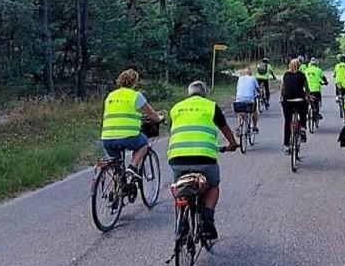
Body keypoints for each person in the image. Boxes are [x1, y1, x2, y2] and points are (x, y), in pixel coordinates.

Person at [168, 81, 238, 240]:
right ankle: (207, 218)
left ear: (189, 93)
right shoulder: (211, 106)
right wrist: (232, 144)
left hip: (177, 158)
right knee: (213, 185)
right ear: (204, 93)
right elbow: (225, 128)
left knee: (180, 188)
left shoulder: (176, 108)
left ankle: (182, 223)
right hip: (205, 158)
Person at [101, 68, 165, 176]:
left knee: (117, 168)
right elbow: (150, 113)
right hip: (127, 136)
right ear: (134, 82)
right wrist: (159, 118)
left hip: (107, 138)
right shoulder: (135, 95)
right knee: (143, 143)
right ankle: (133, 167)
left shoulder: (110, 95)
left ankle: (114, 191)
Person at [280, 58, 310, 153]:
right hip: (299, 101)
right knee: (303, 112)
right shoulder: (302, 75)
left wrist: (282, 97)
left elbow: (282, 87)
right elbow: (306, 88)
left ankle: (286, 144)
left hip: (288, 101)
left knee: (287, 122)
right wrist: (308, 96)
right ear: (299, 66)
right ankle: (303, 128)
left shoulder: (286, 75)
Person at [234, 67, 260, 132]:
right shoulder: (253, 78)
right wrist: (259, 94)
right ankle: (254, 126)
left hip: (239, 101)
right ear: (250, 73)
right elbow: (257, 89)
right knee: (254, 111)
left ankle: (239, 126)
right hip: (250, 101)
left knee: (240, 113)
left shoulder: (240, 79)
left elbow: (238, 88)